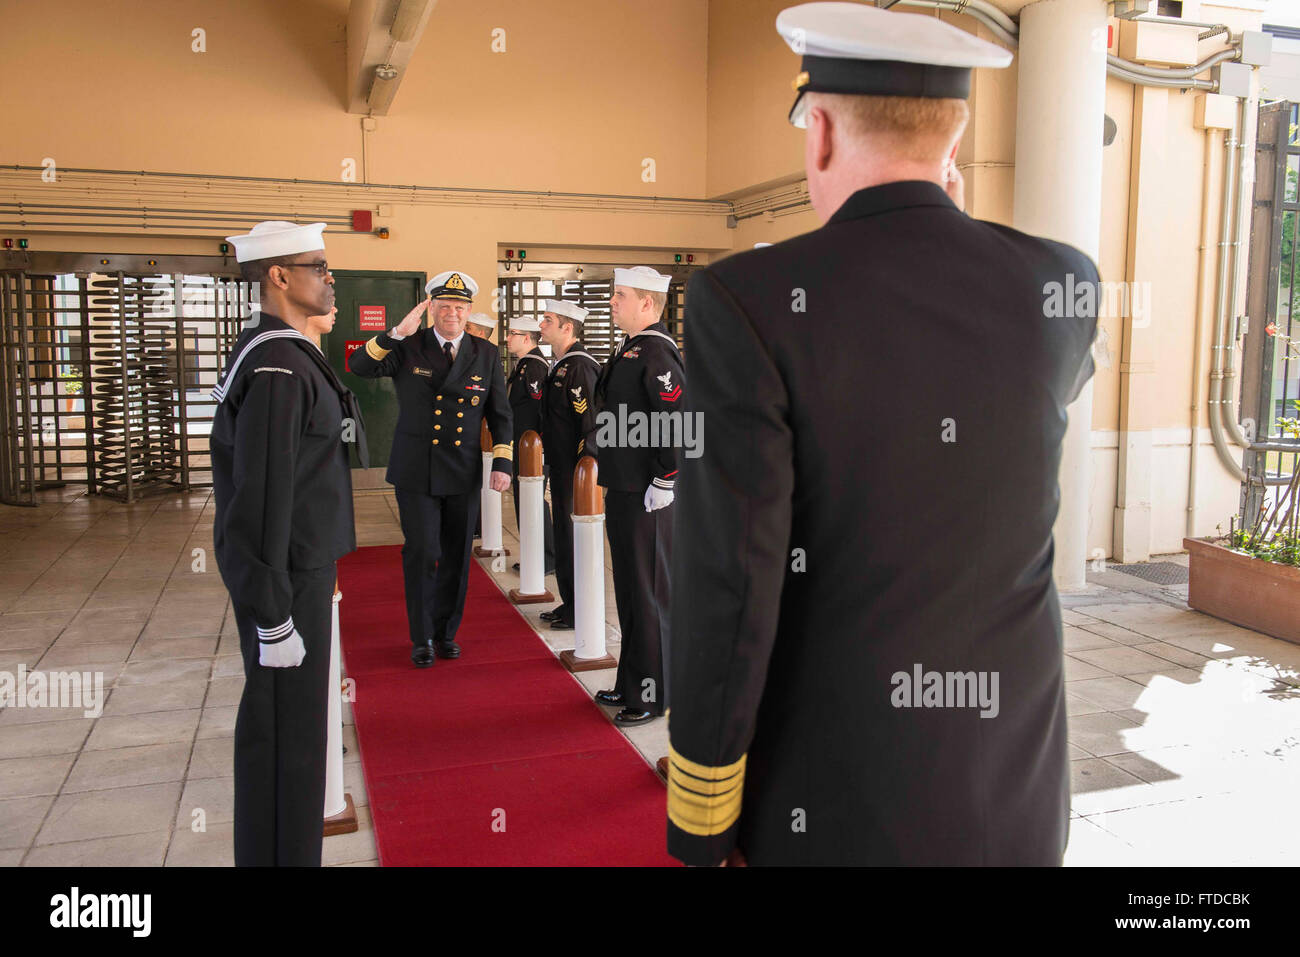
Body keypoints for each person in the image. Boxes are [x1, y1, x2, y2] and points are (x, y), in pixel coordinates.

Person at [665, 3, 1099, 867]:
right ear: (957, 137)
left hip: (837, 795)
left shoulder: (745, 300)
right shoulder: (1064, 282)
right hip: (1013, 786)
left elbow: (732, 578)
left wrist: (703, 813)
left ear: (818, 132)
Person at [211, 220, 368, 866]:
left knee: (297, 744)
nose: (330, 280)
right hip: (288, 582)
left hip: (300, 573)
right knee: (286, 747)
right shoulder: (277, 363)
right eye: (318, 267)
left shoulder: (280, 351)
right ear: (278, 276)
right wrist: (271, 614)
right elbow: (261, 502)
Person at [347, 270, 512, 667]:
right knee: (422, 551)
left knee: (456, 554)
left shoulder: (485, 353)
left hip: (462, 469)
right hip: (416, 469)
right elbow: (358, 366)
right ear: (431, 309)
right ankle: (420, 636)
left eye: (459, 307)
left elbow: (500, 413)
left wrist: (503, 460)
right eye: (443, 306)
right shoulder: (408, 346)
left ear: (469, 311)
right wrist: (394, 334)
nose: (451, 313)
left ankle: (445, 633)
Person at [592, 267, 685, 725]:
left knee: (648, 594)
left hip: (647, 493)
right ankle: (632, 682)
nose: (612, 302)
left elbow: (676, 421)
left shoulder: (656, 354)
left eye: (620, 295)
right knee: (630, 593)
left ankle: (652, 694)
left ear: (647, 304)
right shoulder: (632, 349)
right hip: (626, 488)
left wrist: (665, 480)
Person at [536, 299, 601, 631]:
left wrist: (581, 471)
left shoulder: (579, 367)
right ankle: (570, 602)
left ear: (567, 327)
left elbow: (591, 425)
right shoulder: (561, 364)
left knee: (574, 538)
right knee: (564, 537)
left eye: (548, 319)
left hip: (575, 472)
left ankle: (581, 608)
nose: (541, 324)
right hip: (561, 468)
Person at [505, 314, 556, 574]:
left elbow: (539, 409)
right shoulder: (524, 364)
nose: (506, 339)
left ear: (526, 338)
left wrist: (540, 448)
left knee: (532, 503)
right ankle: (536, 556)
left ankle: (545, 559)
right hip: (522, 445)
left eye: (511, 333)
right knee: (524, 502)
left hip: (532, 449)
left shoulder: (534, 366)